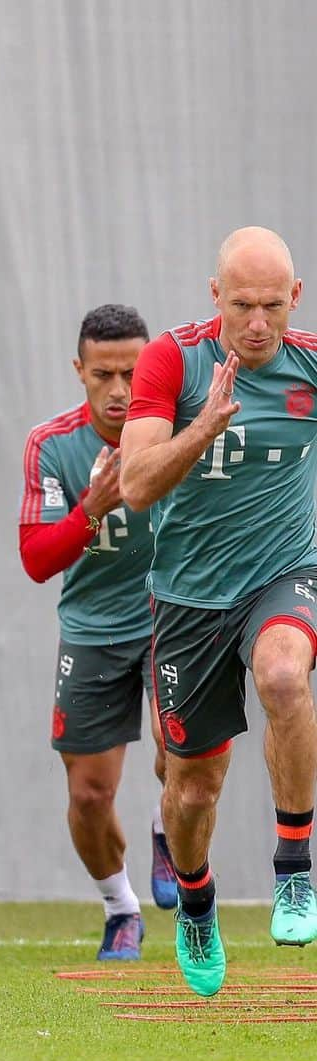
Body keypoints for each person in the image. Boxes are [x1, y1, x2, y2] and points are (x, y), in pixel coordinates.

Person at [121, 226, 317, 997]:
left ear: (294, 299)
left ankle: (295, 867)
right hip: (190, 598)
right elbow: (136, 485)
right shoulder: (173, 361)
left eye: (273, 304)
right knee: (193, 786)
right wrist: (203, 427)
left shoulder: (309, 364)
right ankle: (196, 903)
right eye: (243, 304)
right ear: (216, 298)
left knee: (283, 677)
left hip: (285, 574)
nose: (259, 322)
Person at [19, 304, 175, 963]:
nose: (119, 390)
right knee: (88, 795)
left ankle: (169, 829)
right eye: (104, 374)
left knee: (185, 753)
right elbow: (36, 560)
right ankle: (120, 908)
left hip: (176, 615)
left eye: (133, 375)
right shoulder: (52, 445)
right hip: (93, 628)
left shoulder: (181, 430)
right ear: (79, 371)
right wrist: (91, 510)